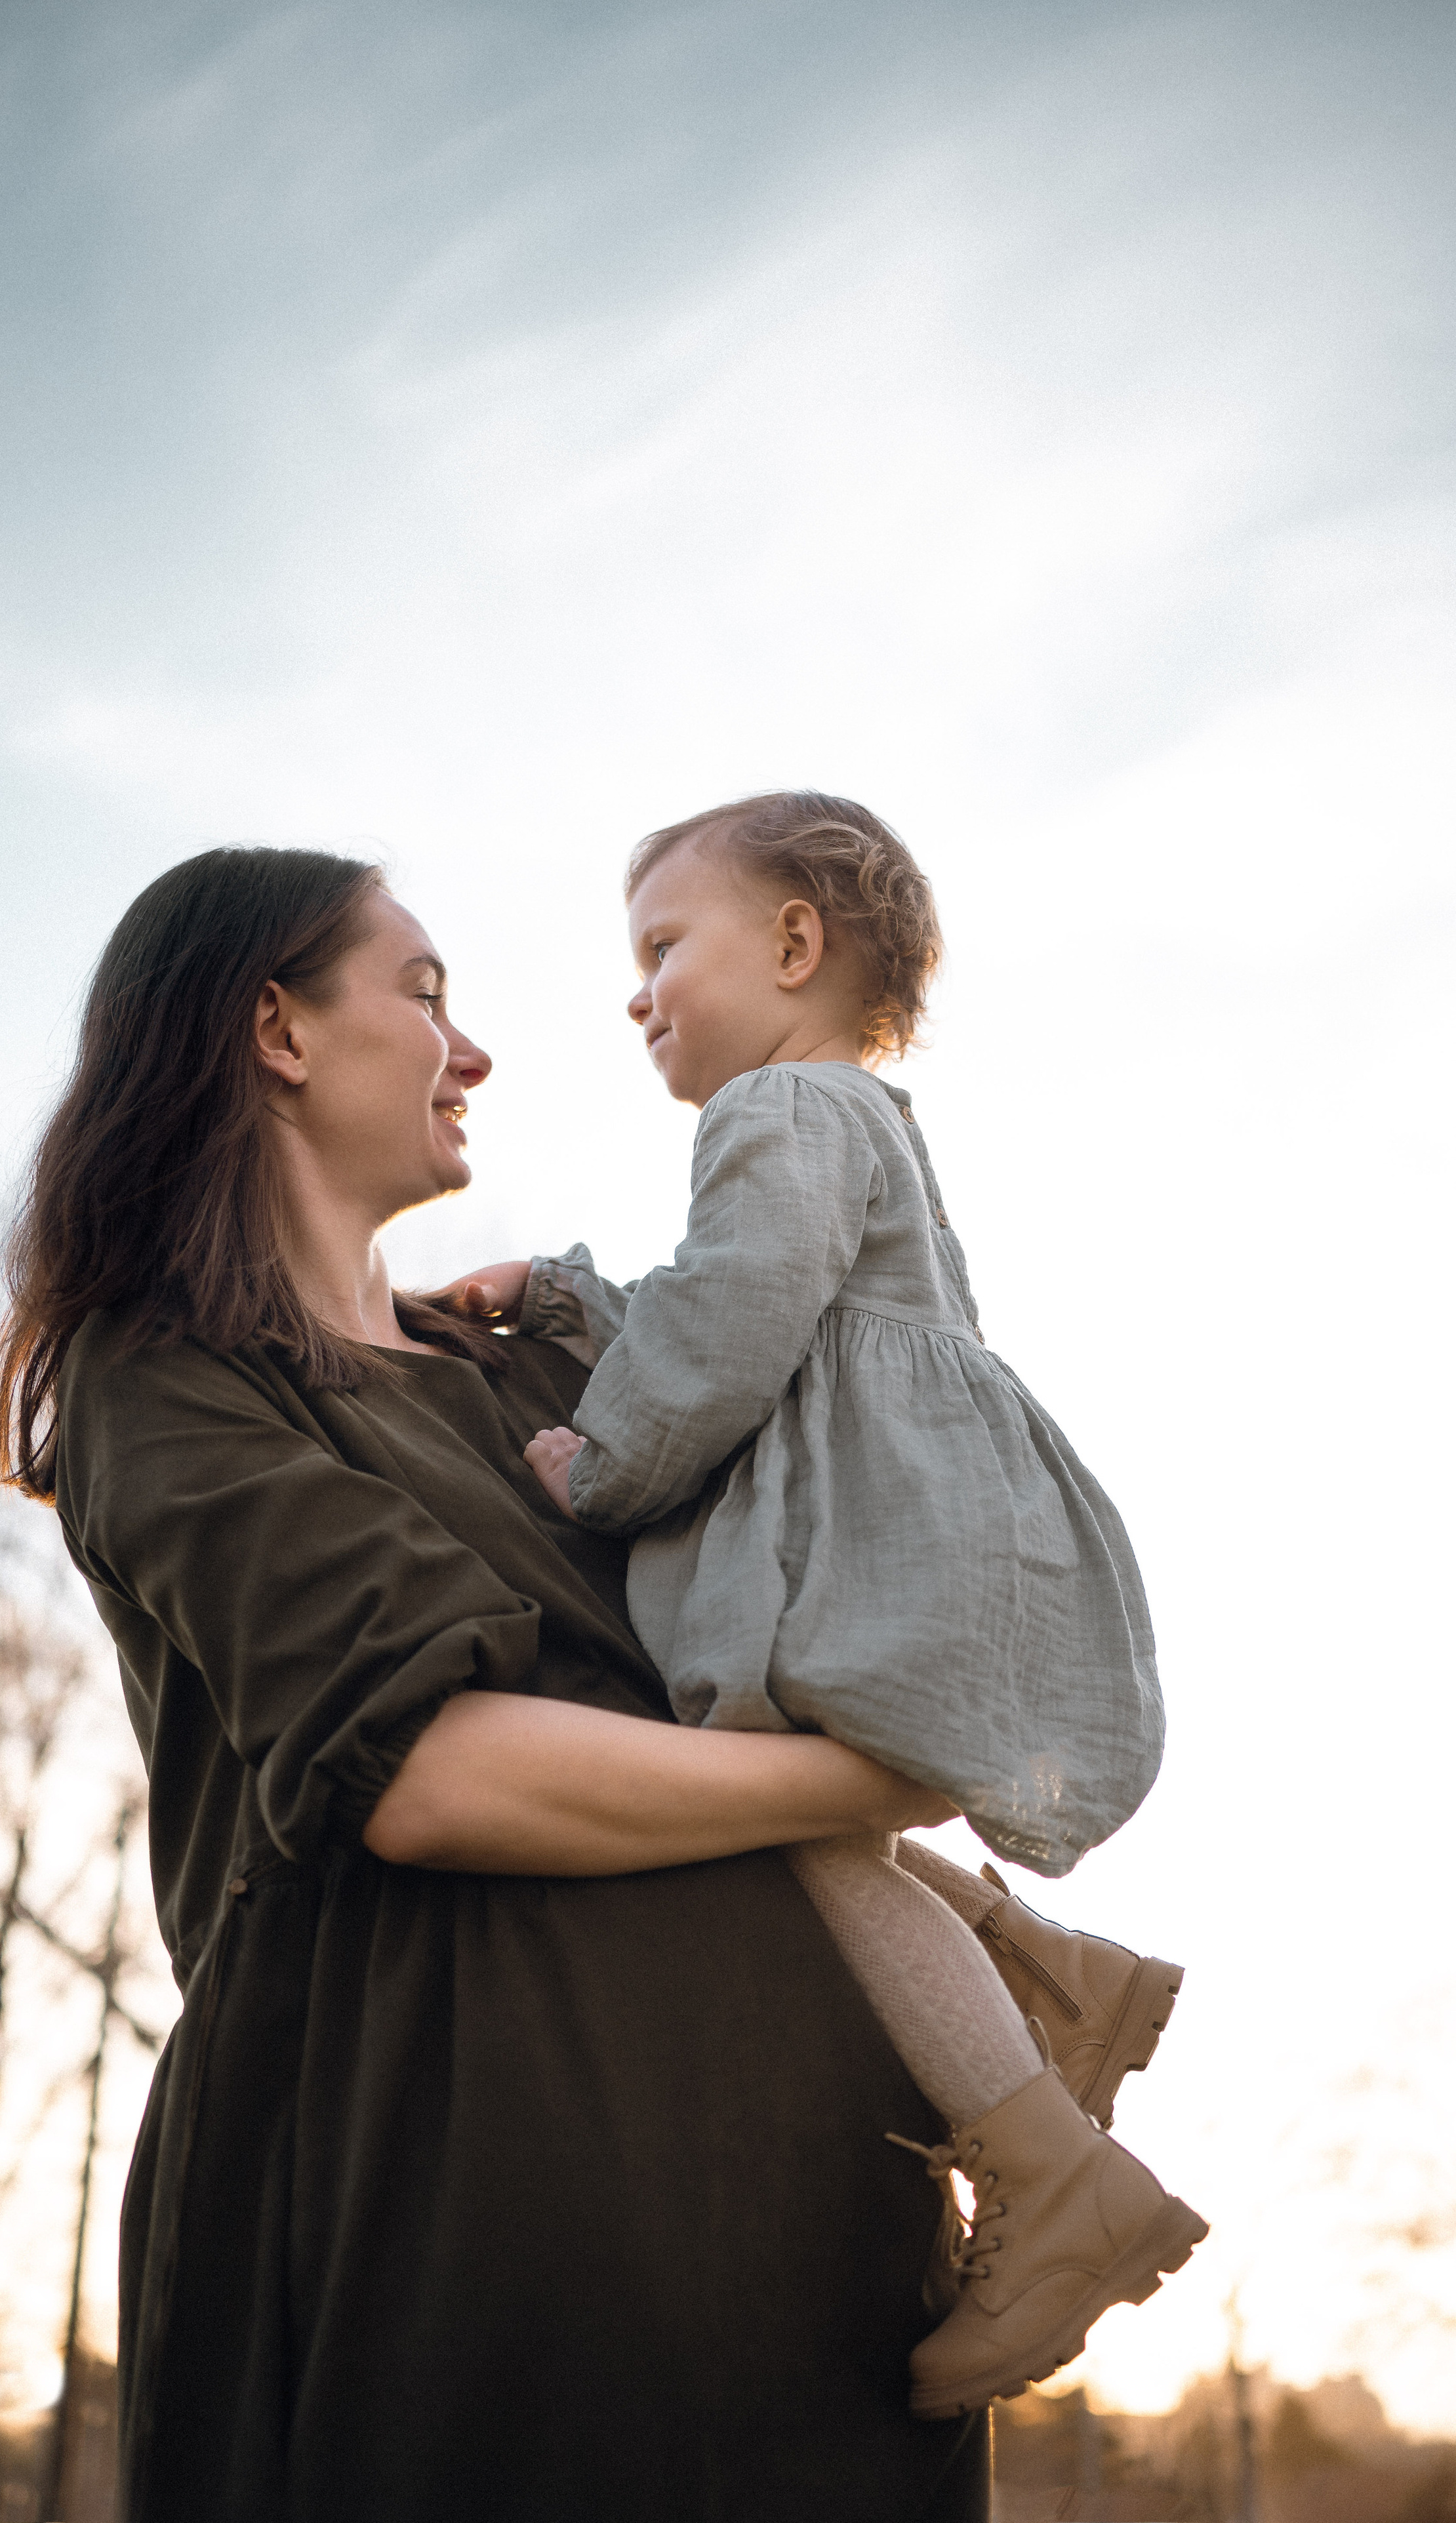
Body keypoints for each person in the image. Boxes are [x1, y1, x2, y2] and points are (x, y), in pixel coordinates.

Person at [0, 842, 994, 2523]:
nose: (473, 1052)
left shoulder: (548, 1368)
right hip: (460, 2254)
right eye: (424, 994)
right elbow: (436, 1771)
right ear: (278, 1032)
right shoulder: (164, 1382)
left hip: (823, 2253)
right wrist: (874, 1773)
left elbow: (880, 1461)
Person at [452, 792, 1207, 2420]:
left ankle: (1052, 2171)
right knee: (809, 1825)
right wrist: (575, 1295)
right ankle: (1053, 1980)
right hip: (921, 1535)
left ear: (793, 945)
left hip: (859, 1551)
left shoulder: (774, 1112)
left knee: (765, 1820)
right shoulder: (854, 1122)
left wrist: (602, 1470)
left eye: (663, 947)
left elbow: (728, 1326)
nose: (637, 991)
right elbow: (747, 1291)